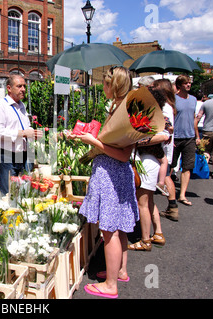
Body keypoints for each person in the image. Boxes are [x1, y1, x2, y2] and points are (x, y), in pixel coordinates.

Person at [66, 66, 136, 298]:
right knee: (120, 228)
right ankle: (121, 271)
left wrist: (92, 141)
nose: (102, 87)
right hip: (117, 174)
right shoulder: (125, 107)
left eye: (105, 84)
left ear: (113, 85)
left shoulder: (123, 111)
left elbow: (123, 153)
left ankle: (111, 285)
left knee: (109, 231)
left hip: (111, 176)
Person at [128, 83, 171, 251]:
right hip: (152, 161)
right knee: (149, 200)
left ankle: (145, 240)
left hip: (147, 162)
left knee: (142, 203)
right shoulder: (154, 116)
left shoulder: (154, 117)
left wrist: (138, 141)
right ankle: (158, 233)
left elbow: (164, 135)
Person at [0, 74, 42, 196]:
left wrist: (31, 133)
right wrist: (23, 133)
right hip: (6, 156)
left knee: (22, 193)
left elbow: (25, 126)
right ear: (9, 88)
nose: (23, 89)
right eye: (19, 86)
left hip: (22, 155)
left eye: (24, 86)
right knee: (8, 194)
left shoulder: (22, 106)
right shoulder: (1, 106)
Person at [169, 74, 197, 208]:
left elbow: (193, 118)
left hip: (189, 137)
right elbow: (169, 118)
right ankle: (168, 190)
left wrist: (197, 136)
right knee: (170, 165)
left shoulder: (193, 99)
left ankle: (182, 195)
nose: (189, 85)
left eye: (189, 83)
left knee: (187, 166)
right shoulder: (173, 100)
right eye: (186, 83)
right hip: (176, 137)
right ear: (179, 85)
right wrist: (170, 136)